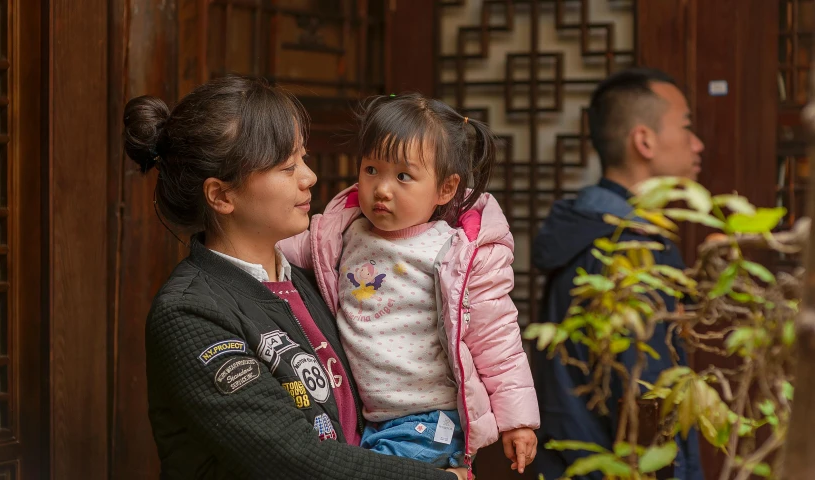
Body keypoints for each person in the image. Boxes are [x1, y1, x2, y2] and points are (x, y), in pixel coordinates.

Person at [125, 75, 468, 479]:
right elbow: (293, 459)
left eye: (302, 159)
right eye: (288, 166)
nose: (309, 177)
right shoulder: (190, 313)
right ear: (221, 195)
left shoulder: (311, 279)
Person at [278, 93, 541, 476]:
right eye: (371, 170)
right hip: (369, 415)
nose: (382, 189)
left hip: (430, 417)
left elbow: (497, 339)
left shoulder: (454, 252)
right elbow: (274, 248)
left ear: (445, 189)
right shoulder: (341, 233)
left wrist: (516, 419)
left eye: (403, 176)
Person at [529, 68, 705, 479]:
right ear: (643, 140)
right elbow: (646, 396)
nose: (698, 144)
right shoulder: (628, 248)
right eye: (686, 127)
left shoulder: (593, 229)